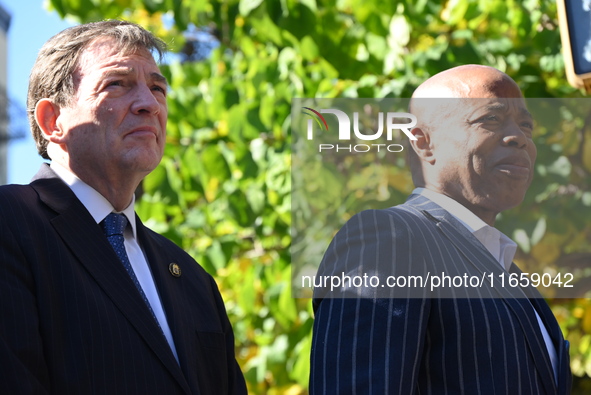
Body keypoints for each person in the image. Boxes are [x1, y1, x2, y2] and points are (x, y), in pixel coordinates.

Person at [0, 20, 246, 394]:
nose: (150, 104)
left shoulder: (195, 280)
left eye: (158, 88)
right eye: (117, 84)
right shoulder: (12, 224)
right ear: (53, 120)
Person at [310, 65, 572, 394]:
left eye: (526, 125)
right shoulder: (388, 238)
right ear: (423, 142)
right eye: (490, 119)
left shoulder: (510, 273)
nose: (519, 137)